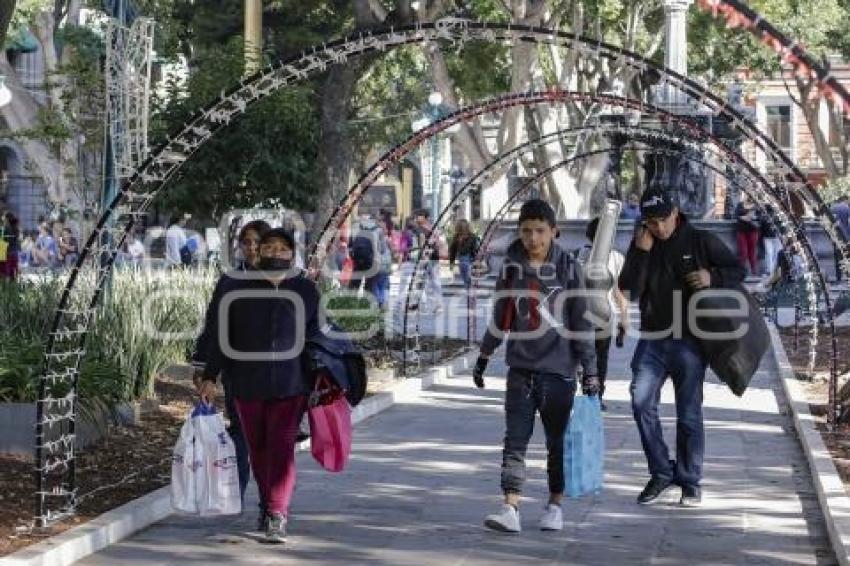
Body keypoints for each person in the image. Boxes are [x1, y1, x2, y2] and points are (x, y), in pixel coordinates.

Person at [472, 199, 598, 534]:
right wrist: (484, 356)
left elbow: (581, 323)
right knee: (515, 440)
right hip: (521, 371)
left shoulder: (570, 269)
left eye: (540, 231)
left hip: (559, 372)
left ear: (553, 231)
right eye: (526, 231)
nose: (533, 238)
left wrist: (591, 372)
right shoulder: (510, 269)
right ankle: (509, 507)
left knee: (555, 442)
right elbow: (501, 317)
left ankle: (555, 506)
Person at [618, 189, 745, 508]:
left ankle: (689, 480)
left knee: (689, 413)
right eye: (651, 222)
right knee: (640, 401)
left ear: (675, 212)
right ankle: (661, 471)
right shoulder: (643, 243)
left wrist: (711, 276)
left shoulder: (701, 240)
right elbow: (629, 289)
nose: (659, 228)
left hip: (691, 339)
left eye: (662, 220)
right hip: (653, 338)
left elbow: (738, 271)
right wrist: (642, 253)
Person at [198, 226, 319, 544]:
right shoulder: (236, 287)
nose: (275, 253)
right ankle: (268, 504)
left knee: (281, 447)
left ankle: (278, 513)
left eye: (282, 248)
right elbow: (222, 335)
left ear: (292, 254)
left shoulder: (305, 288)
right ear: (258, 252)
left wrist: (322, 376)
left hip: (291, 384)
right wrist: (210, 375)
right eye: (269, 247)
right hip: (246, 383)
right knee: (259, 450)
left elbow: (317, 336)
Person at [193, 219, 270, 517]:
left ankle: (270, 503)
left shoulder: (282, 279)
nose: (251, 248)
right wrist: (204, 368)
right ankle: (235, 493)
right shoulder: (230, 280)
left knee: (267, 441)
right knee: (240, 432)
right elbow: (214, 325)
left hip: (276, 376)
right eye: (246, 242)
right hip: (239, 372)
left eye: (257, 242)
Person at [578, 217, 629, 410]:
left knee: (589, 356)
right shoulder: (615, 258)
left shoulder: (578, 255)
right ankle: (595, 396)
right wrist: (623, 319)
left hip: (583, 315)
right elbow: (619, 292)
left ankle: (592, 392)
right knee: (599, 357)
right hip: (602, 315)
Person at [413, 209, 444, 312]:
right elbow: (439, 243)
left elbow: (423, 244)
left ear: (424, 217)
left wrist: (425, 251)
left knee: (421, 281)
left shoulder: (420, 229)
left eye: (419, 216)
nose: (417, 218)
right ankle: (437, 305)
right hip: (434, 257)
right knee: (435, 282)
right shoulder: (433, 229)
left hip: (426, 258)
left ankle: (420, 304)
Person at [449, 218, 480, 290]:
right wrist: (451, 263)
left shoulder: (472, 237)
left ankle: (470, 290)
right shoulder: (456, 237)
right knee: (466, 281)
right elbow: (452, 251)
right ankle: (470, 292)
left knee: (467, 280)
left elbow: (472, 250)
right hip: (463, 260)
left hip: (469, 260)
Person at [734, 194, 760, 276]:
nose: (748, 197)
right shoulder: (740, 204)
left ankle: (753, 272)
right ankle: (741, 272)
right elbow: (736, 215)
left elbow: (761, 217)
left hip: (753, 231)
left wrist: (753, 217)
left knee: (752, 253)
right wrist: (742, 218)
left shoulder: (757, 206)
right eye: (747, 195)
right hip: (741, 231)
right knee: (743, 252)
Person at [760, 204, 781, 278]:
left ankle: (770, 271)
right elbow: (782, 227)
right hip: (775, 237)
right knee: (775, 254)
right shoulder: (778, 216)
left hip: (768, 237)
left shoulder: (765, 217)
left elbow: (761, 228)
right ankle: (773, 270)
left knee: (769, 254)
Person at [0, 212, 21, 279]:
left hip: (7, 253)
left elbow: (5, 241)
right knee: (13, 273)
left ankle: (6, 288)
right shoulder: (16, 228)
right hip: (15, 253)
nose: (2, 217)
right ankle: (14, 288)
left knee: (5, 273)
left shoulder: (6, 228)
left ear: (6, 218)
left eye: (3, 216)